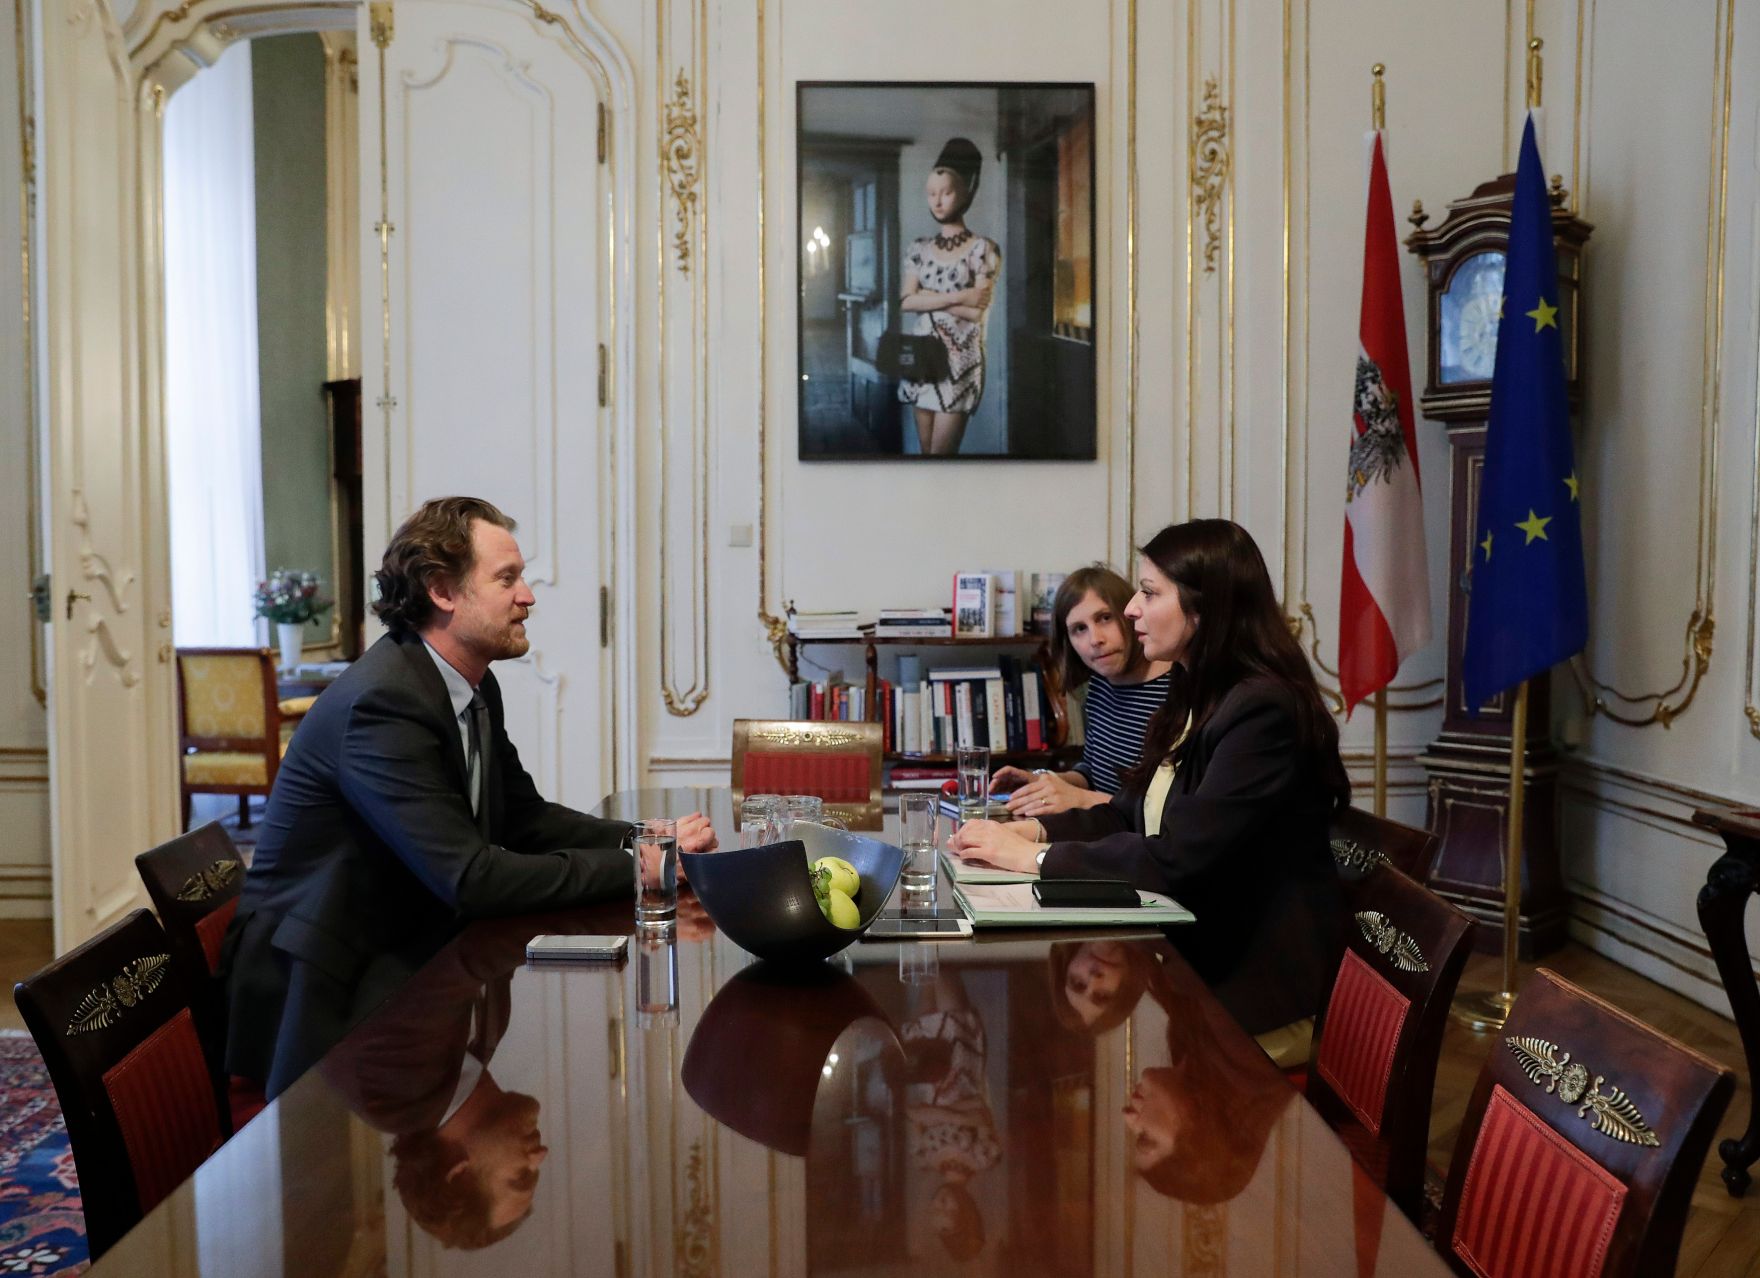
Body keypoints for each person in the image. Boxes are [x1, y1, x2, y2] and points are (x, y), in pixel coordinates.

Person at [221, 496, 718, 1096]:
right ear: (442, 591)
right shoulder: (384, 704)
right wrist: (640, 870)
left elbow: (524, 819)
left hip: (405, 941)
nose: (528, 595)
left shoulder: (469, 684)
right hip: (329, 986)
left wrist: (646, 838)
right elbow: (472, 878)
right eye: (507, 578)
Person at [949, 520, 1349, 979]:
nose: (1132, 609)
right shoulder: (1193, 689)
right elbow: (1127, 813)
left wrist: (1032, 861)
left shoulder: (1261, 709)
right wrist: (1036, 832)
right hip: (1190, 956)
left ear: (1205, 608)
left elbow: (1178, 855)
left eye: (1149, 593)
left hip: (1251, 982)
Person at [991, 566, 1172, 818]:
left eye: (1105, 618)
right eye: (1079, 629)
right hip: (1102, 832)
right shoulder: (1100, 683)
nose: (1095, 639)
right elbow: (1092, 772)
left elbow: (1165, 814)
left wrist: (1082, 799)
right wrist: (1042, 781)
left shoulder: (1177, 689)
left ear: (1131, 614)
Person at [898, 137, 1001, 457]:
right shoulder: (918, 248)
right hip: (921, 361)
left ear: (965, 192)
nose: (938, 201)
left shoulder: (983, 248)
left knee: (942, 459)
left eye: (947, 192)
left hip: (959, 366)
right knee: (924, 454)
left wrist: (927, 296)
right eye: (932, 194)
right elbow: (906, 302)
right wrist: (959, 295)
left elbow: (976, 313)